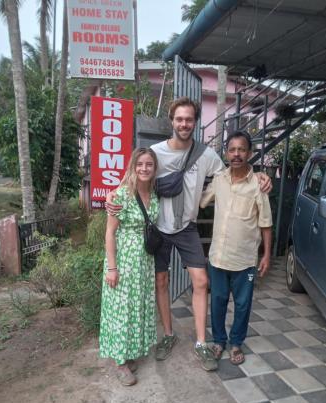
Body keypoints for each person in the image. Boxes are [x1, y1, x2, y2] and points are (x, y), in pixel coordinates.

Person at [106, 97, 272, 371]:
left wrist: (263, 177)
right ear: (172, 121)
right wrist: (114, 192)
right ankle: (169, 335)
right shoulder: (156, 152)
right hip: (158, 226)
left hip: (186, 228)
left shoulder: (206, 155)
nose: (184, 124)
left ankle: (200, 342)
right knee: (161, 281)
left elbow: (234, 173)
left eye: (189, 119)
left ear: (195, 122)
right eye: (179, 119)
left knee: (201, 280)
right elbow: (135, 175)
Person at [200, 130, 272, 365]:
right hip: (218, 257)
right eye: (232, 150)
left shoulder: (258, 185)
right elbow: (201, 200)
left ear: (249, 153)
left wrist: (267, 255)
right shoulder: (219, 179)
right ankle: (219, 342)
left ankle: (236, 343)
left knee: (242, 305)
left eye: (242, 149)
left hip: (244, 259)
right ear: (226, 153)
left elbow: (266, 223)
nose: (237, 154)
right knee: (218, 302)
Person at [99, 147, 159, 386]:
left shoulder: (154, 195)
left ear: (154, 169)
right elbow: (110, 233)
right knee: (121, 310)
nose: (144, 169)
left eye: (149, 165)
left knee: (137, 307)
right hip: (123, 261)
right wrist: (112, 268)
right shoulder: (122, 195)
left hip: (144, 262)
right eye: (140, 164)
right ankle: (120, 362)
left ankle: (130, 351)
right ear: (133, 167)